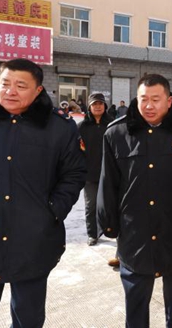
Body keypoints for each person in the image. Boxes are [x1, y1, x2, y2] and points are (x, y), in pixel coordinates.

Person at [0, 58, 86, 328]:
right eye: (5, 84)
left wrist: (51, 210)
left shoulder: (59, 128)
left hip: (33, 240)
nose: (10, 91)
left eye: (21, 85)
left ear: (37, 91)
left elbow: (74, 174)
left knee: (29, 320)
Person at [97, 74, 172, 328]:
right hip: (134, 234)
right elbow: (108, 184)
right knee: (136, 306)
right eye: (143, 99)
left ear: (169, 101)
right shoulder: (116, 133)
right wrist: (109, 223)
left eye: (156, 99)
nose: (149, 106)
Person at [77, 93, 113, 247]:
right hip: (90, 173)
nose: (97, 106)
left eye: (100, 103)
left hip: (110, 173)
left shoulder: (112, 125)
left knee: (110, 204)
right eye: (94, 104)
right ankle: (93, 233)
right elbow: (76, 150)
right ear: (89, 107)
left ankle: (110, 230)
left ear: (105, 106)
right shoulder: (82, 127)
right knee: (91, 205)